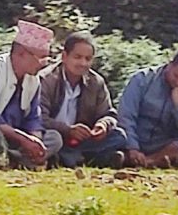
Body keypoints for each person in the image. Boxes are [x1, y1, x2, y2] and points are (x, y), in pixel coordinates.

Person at [37, 32, 132, 168]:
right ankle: (82, 159)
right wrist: (68, 130)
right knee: (54, 139)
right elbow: (40, 118)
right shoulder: (47, 79)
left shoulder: (96, 82)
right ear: (64, 56)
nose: (83, 63)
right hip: (54, 135)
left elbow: (109, 114)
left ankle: (72, 158)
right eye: (77, 57)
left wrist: (103, 125)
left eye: (88, 59)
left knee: (119, 136)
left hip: (82, 140)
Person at [0, 20, 58, 169]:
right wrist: (24, 139)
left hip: (17, 139)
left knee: (54, 138)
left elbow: (33, 118)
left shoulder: (34, 79)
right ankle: (12, 161)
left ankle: (17, 160)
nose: (44, 64)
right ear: (21, 54)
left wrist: (34, 141)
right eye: (40, 58)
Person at [118, 49, 178, 168]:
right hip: (134, 137)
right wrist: (133, 147)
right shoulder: (142, 79)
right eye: (176, 76)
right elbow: (126, 115)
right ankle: (128, 156)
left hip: (164, 146)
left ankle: (149, 162)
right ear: (170, 64)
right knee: (114, 131)